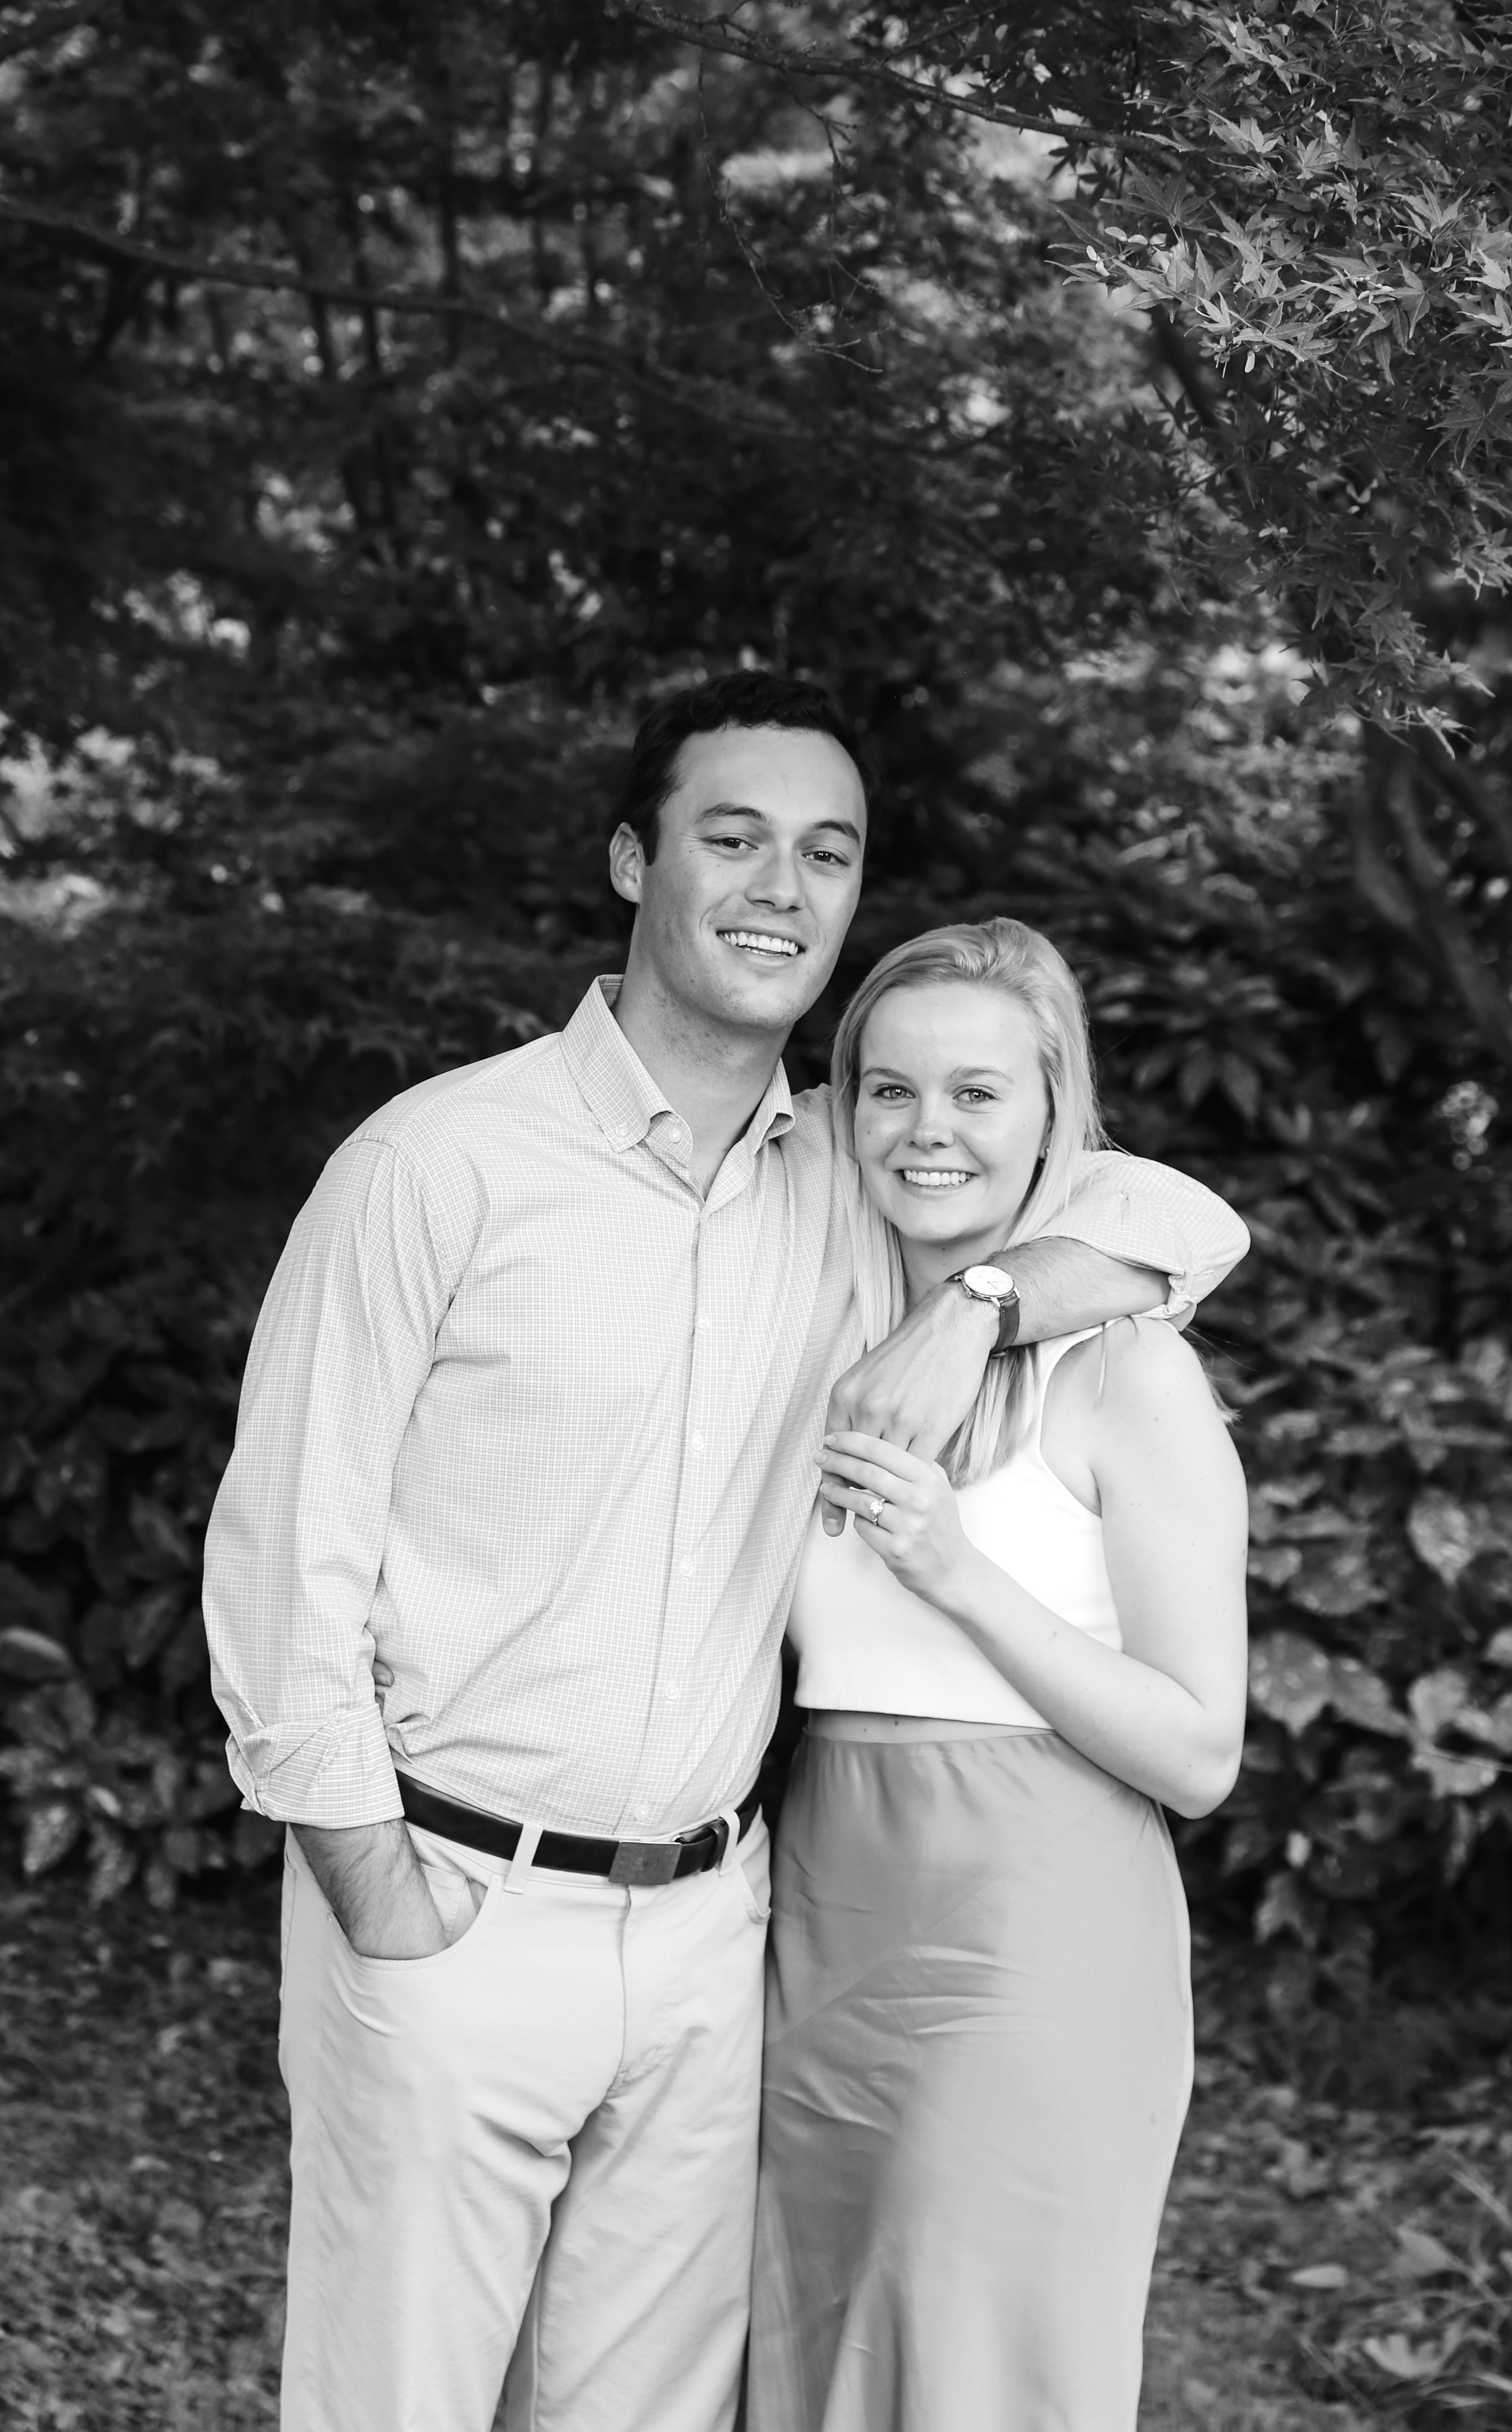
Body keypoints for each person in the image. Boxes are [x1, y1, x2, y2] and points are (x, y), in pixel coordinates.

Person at [202, 673, 1249, 2432]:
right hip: (456, 1902)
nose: (782, 887)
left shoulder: (834, 1168)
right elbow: (282, 1552)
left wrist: (984, 1306)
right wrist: (376, 1891)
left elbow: (1183, 1220)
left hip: (719, 1939)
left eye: (827, 853)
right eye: (735, 837)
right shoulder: (438, 1164)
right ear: (635, 860)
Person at [747, 917, 1250, 2432]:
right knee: (806, 2353)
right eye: (889, 1091)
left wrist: (958, 1571)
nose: (930, 1131)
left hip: (1034, 1929)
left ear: (1051, 1118)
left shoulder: (1129, 1373)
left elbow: (1199, 1755)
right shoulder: (814, 1314)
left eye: (979, 1094)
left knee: (973, 2370)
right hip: (818, 1901)